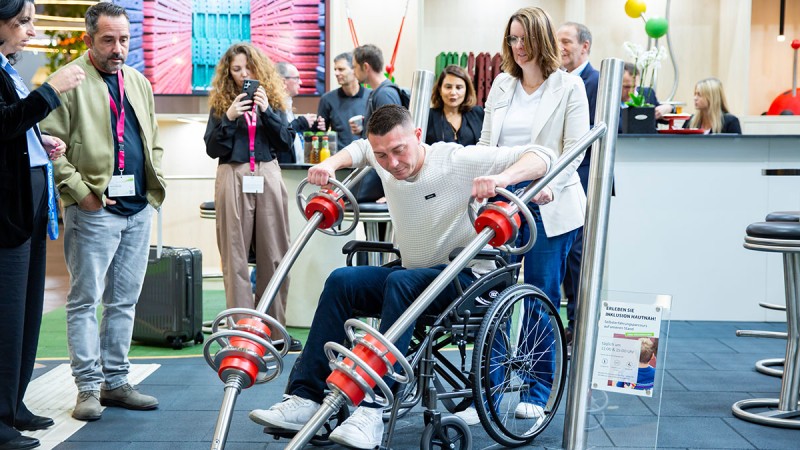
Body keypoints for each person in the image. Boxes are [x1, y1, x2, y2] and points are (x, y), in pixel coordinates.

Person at [248, 104, 554, 449]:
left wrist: (502, 179)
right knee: (341, 280)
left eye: (399, 151)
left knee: (400, 283)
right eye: (382, 155)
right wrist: (329, 165)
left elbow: (542, 154)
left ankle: (373, 410)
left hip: (466, 281)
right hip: (413, 276)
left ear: (418, 136)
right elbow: (361, 149)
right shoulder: (381, 156)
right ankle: (306, 397)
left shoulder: (455, 160)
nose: (392, 163)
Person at [40, 2, 165, 422]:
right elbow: (48, 147)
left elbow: (153, 138)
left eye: (124, 40)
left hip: (136, 209)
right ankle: (88, 388)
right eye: (108, 40)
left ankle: (116, 382)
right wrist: (82, 193)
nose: (118, 48)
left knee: (124, 302)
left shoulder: (138, 82)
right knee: (85, 300)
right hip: (94, 210)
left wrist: (152, 184)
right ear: (90, 38)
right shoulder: (70, 81)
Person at [474, 6, 590, 425]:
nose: (517, 47)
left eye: (523, 39)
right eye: (511, 39)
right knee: (491, 295)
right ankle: (488, 387)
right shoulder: (502, 85)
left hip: (549, 203)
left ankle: (538, 388)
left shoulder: (569, 87)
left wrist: (548, 185)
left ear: (540, 40)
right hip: (505, 203)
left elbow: (575, 149)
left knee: (540, 296)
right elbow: (487, 145)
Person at [0, 1, 84, 447]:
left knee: (26, 312)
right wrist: (50, 90)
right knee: (6, 317)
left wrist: (39, 137)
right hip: (8, 212)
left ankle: (12, 405)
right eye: (22, 22)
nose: (31, 31)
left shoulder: (8, 67)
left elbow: (16, 127)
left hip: (26, 208)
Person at [204, 43, 299, 350]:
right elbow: (212, 149)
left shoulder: (272, 99)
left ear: (259, 68)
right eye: (237, 70)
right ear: (228, 74)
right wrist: (230, 117)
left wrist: (267, 111)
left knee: (275, 254)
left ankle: (272, 331)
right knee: (235, 258)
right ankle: (242, 334)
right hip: (232, 174)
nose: (244, 74)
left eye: (249, 68)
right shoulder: (221, 104)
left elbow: (285, 143)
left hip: (268, 174)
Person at [556, 21, 598, 344]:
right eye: (557, 41)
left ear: (585, 46)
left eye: (567, 41)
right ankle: (570, 331)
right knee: (567, 264)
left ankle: (581, 331)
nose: (560, 46)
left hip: (585, 185)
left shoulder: (596, 83)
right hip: (557, 188)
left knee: (580, 264)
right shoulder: (556, 82)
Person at [316, 52, 371, 148]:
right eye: (335, 70)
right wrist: (318, 128)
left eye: (341, 69)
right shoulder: (327, 99)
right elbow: (319, 134)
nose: (336, 73)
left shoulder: (371, 96)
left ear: (354, 70)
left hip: (367, 156)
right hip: (340, 158)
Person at [425, 64, 484, 146]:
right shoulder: (427, 116)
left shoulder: (479, 114)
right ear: (439, 89)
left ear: (466, 90)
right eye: (448, 87)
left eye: (459, 87)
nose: (453, 92)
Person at [276, 61, 323, 163]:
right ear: (283, 82)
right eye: (296, 78)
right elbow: (281, 135)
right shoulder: (273, 107)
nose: (300, 82)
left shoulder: (287, 104)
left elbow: (293, 134)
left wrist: (313, 127)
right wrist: (301, 122)